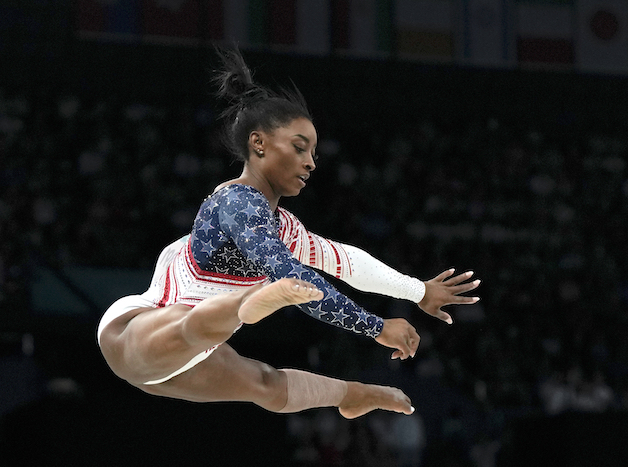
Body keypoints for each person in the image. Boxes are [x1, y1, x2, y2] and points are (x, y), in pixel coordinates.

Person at [97, 46, 481, 419]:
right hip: (137, 331)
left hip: (186, 359)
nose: (310, 163)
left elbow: (347, 262)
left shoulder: (285, 227)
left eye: (313, 152)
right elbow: (288, 272)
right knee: (192, 322)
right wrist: (376, 326)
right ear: (258, 143)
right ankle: (252, 302)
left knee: (266, 384)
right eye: (299, 148)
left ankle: (353, 394)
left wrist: (419, 291)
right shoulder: (236, 203)